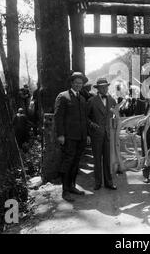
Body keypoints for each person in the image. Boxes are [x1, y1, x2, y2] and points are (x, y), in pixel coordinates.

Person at [54, 72, 90, 202]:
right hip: (68, 137)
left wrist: (86, 135)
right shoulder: (62, 97)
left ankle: (72, 186)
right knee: (67, 162)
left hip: (80, 137)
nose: (78, 85)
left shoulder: (82, 98)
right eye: (76, 83)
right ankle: (65, 191)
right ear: (71, 83)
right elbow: (58, 117)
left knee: (76, 163)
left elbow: (84, 119)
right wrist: (60, 135)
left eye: (80, 83)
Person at [87, 77, 117, 190]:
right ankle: (98, 183)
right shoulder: (91, 101)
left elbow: (116, 115)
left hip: (108, 134)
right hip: (96, 134)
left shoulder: (112, 100)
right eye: (102, 87)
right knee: (97, 159)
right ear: (98, 89)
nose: (104, 89)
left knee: (108, 160)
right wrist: (92, 125)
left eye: (106, 87)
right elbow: (86, 117)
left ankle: (109, 182)